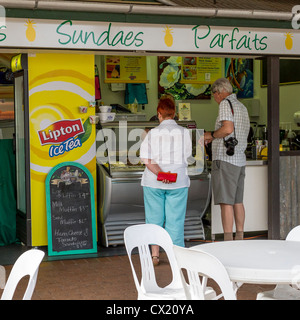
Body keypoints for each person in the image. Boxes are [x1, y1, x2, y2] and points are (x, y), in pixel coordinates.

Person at [140, 94, 192, 266]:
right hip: (178, 183)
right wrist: (169, 174)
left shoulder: (152, 133)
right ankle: (174, 256)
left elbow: (147, 160)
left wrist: (161, 175)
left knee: (154, 220)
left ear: (159, 114)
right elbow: (187, 157)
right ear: (175, 113)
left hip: (154, 183)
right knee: (175, 221)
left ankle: (155, 255)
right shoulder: (185, 133)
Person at [204, 78, 250, 241]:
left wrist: (211, 135)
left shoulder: (225, 103)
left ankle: (228, 240)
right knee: (238, 201)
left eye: (214, 94)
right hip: (239, 160)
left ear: (219, 92)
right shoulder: (242, 106)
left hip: (226, 159)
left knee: (226, 202)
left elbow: (227, 128)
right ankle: (239, 236)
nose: (214, 98)